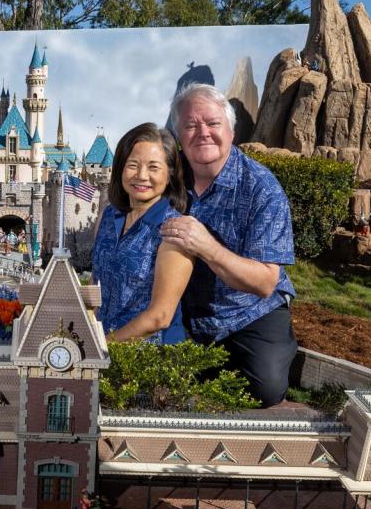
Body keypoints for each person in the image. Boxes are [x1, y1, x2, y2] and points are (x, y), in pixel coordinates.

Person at [162, 83, 297, 407]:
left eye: (212, 123)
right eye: (191, 125)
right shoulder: (165, 176)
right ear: (179, 135)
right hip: (184, 313)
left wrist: (206, 247)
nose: (202, 133)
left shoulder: (261, 188)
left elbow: (265, 282)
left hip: (248, 311)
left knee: (266, 388)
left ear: (231, 131)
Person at [91, 123, 194, 344]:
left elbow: (159, 317)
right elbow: (96, 283)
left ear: (170, 174)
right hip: (101, 349)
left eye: (154, 167)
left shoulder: (174, 230)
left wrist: (103, 346)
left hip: (149, 359)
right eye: (133, 165)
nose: (141, 175)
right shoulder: (108, 217)